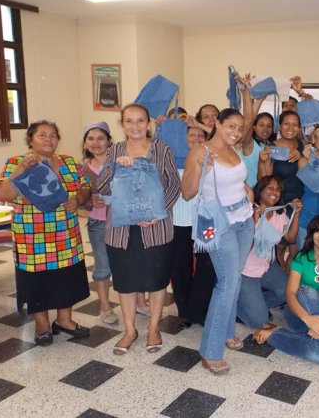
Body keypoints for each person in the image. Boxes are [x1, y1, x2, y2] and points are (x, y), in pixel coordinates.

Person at [0, 120, 92, 346]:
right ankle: (41, 324)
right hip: (32, 237)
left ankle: (64, 320)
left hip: (66, 235)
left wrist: (77, 199)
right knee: (37, 281)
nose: (48, 139)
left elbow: (86, 187)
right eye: (42, 135)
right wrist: (22, 170)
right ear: (31, 140)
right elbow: (4, 193)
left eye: (53, 135)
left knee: (66, 278)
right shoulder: (15, 163)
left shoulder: (70, 163)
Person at [98, 104, 180, 355]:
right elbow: (102, 188)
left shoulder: (161, 149)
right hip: (122, 230)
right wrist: (115, 170)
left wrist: (155, 214)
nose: (135, 126)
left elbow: (173, 186)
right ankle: (130, 330)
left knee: (157, 281)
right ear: (122, 124)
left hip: (156, 229)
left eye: (140, 121)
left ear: (148, 123)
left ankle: (153, 328)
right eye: (129, 121)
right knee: (126, 282)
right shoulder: (114, 151)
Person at [182, 108, 254, 375]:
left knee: (234, 278)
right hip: (219, 224)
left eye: (239, 128)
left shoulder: (234, 149)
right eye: (231, 126)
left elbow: (239, 180)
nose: (235, 132)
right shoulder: (201, 152)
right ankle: (210, 351)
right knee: (227, 283)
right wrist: (201, 168)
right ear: (218, 124)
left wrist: (248, 191)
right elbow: (187, 192)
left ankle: (226, 332)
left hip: (244, 221)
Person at [253, 215, 319, 385]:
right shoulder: (301, 258)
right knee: (309, 292)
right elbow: (290, 293)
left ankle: (274, 334)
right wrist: (307, 319)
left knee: (317, 355)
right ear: (311, 235)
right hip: (298, 312)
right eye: (317, 231)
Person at [237, 176, 302, 329]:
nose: (275, 192)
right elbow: (243, 242)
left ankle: (253, 302)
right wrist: (255, 217)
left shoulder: (280, 214)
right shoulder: (247, 209)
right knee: (261, 321)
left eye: (278, 189)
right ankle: (237, 306)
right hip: (245, 271)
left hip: (265, 266)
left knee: (288, 291)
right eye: (270, 188)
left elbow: (291, 238)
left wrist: (297, 213)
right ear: (260, 191)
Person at [170, 125, 216, 328]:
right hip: (179, 220)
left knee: (206, 266)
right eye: (192, 134)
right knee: (181, 268)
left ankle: (199, 308)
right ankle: (184, 310)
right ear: (184, 137)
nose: (197, 138)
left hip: (205, 220)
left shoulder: (211, 158)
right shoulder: (172, 159)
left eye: (201, 135)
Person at [81, 121, 118, 325]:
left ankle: (139, 302)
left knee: (128, 264)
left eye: (101, 138)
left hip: (124, 221)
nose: (96, 143)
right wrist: (88, 201)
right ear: (85, 143)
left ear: (109, 141)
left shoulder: (120, 162)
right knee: (103, 266)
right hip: (99, 222)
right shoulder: (83, 170)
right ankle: (105, 307)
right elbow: (78, 198)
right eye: (91, 138)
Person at [258, 110, 304, 270]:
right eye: (286, 123)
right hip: (280, 204)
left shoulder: (304, 147)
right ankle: (279, 285)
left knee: (297, 249)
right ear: (280, 126)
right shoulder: (271, 149)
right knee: (278, 249)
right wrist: (262, 161)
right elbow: (263, 181)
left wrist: (303, 157)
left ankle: (290, 283)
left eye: (295, 124)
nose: (290, 127)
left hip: (300, 202)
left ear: (299, 128)